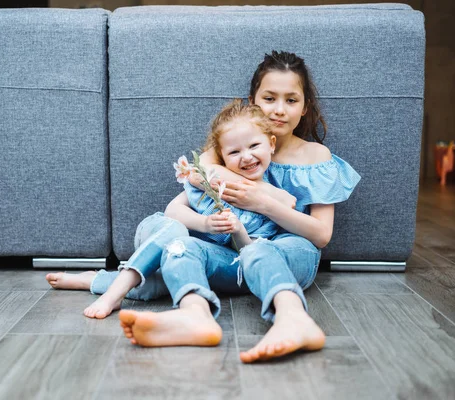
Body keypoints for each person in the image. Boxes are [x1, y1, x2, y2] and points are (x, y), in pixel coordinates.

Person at [118, 50, 361, 363]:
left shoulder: (316, 156)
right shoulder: (235, 148)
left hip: (292, 251)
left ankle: (292, 319)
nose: (279, 110)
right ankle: (195, 316)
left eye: (291, 100)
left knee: (261, 250)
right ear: (253, 101)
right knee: (181, 246)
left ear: (305, 107)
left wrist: (262, 202)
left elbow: (321, 235)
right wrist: (250, 185)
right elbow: (195, 174)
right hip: (235, 258)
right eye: (269, 98)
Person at [46, 99, 294, 319]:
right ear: (222, 157)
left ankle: (94, 279)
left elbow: (249, 256)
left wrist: (238, 230)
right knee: (175, 231)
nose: (247, 157)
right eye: (234, 152)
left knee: (157, 287)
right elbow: (172, 211)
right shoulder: (215, 183)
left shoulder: (271, 201)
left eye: (253, 146)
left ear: (271, 144)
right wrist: (205, 224)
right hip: (159, 232)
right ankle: (115, 294)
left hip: (183, 257)